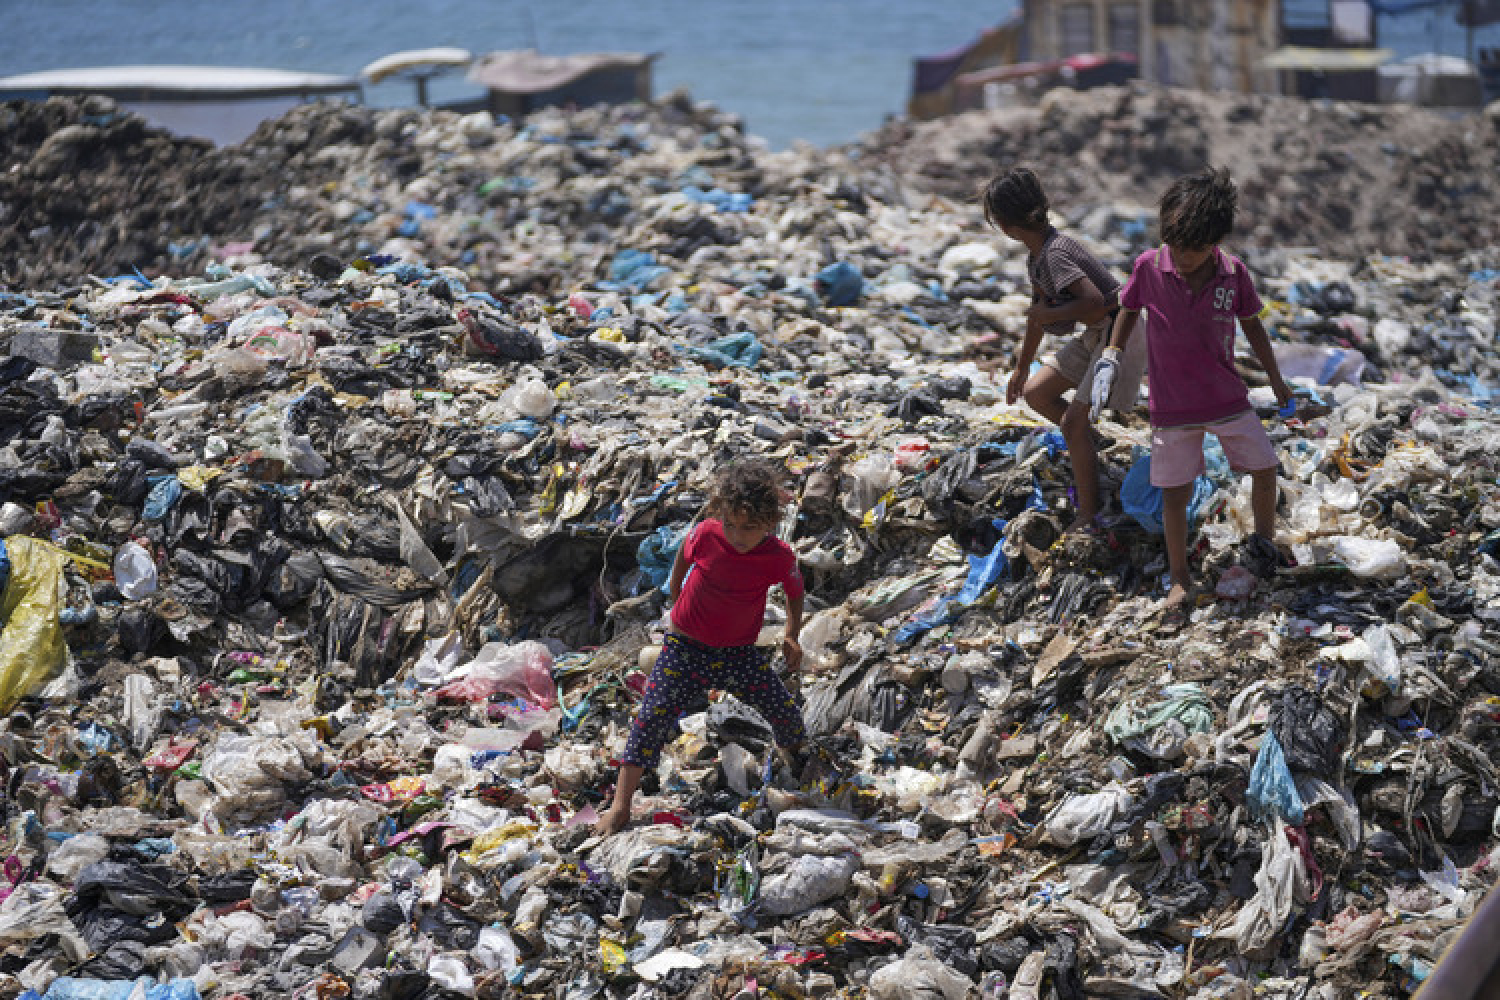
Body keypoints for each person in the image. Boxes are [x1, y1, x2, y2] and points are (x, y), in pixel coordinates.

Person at [1090, 167, 1292, 619]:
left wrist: (1277, 381)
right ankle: (1180, 578)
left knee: (1264, 467)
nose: (1183, 257)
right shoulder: (1149, 266)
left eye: (1195, 250)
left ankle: (1263, 545)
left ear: (1215, 242)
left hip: (1227, 398)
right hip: (1172, 407)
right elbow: (1127, 308)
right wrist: (1111, 355)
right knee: (1175, 494)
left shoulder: (1232, 273)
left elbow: (1254, 327)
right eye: (1177, 247)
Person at [595, 459, 805, 836]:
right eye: (732, 524)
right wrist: (676, 598)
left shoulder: (778, 558)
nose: (738, 536)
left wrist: (792, 633)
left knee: (783, 711)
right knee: (651, 719)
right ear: (720, 514)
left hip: (739, 653)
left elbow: (795, 593)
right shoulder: (706, 535)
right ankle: (620, 805)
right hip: (685, 648)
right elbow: (682, 559)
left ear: (770, 524)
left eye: (750, 528)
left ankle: (798, 767)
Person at [981, 166, 1148, 533]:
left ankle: (1089, 515)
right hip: (1096, 332)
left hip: (1120, 332)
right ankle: (1086, 444)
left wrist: (1050, 312)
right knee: (1036, 392)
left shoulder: (1055, 254)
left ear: (1005, 224)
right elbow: (1037, 318)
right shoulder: (1038, 257)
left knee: (1072, 423)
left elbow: (1093, 302)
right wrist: (1022, 369)